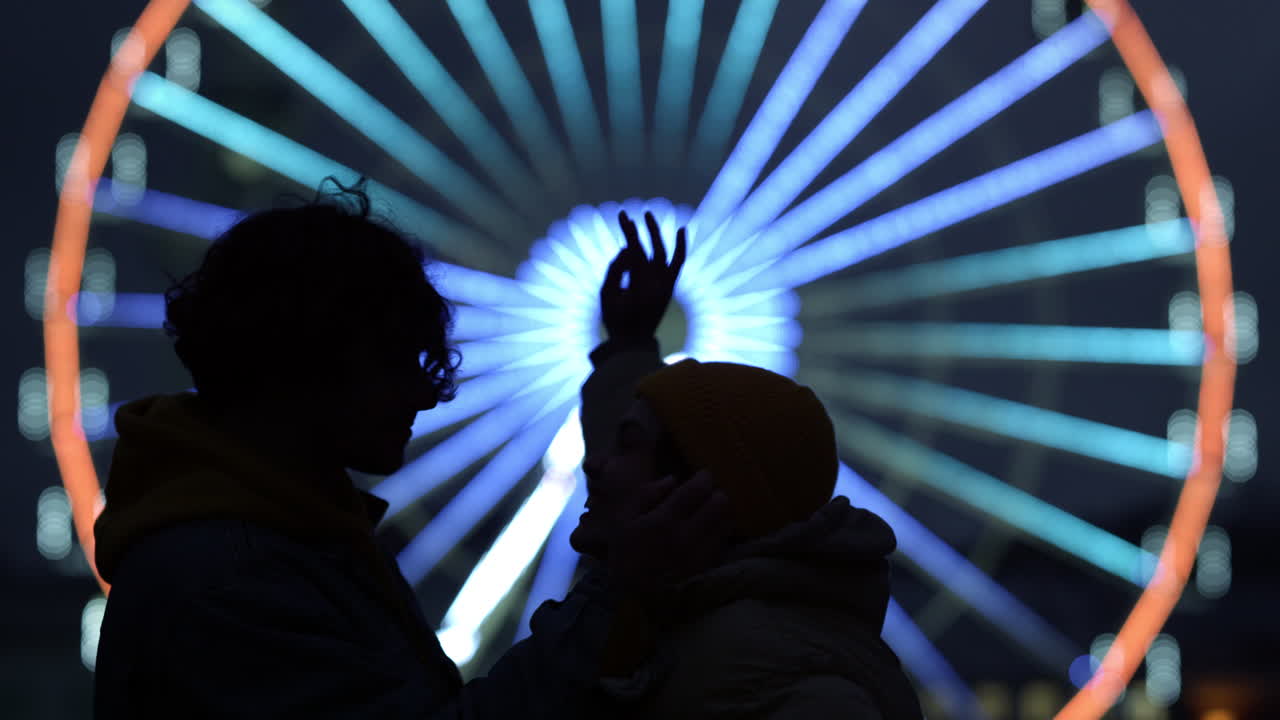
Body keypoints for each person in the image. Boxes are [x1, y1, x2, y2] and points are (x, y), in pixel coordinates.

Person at [91, 181, 729, 719]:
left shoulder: (272, 542)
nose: (427, 395)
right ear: (306, 363)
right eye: (398, 363)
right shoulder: (232, 583)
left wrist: (625, 348)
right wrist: (620, 590)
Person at [572, 210, 924, 718]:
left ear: (693, 496)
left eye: (625, 445)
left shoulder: (797, 691)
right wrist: (626, 345)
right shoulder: (699, 625)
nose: (594, 467)